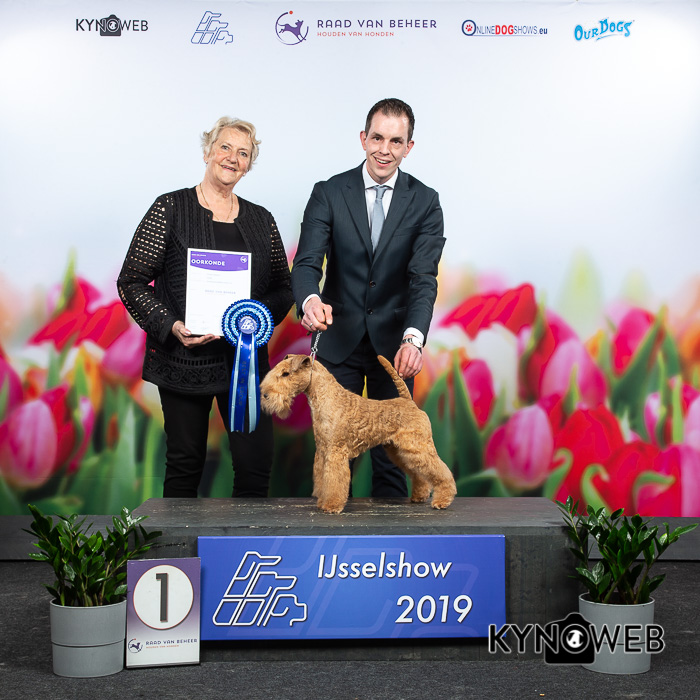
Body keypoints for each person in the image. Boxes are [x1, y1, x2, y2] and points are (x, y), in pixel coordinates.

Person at [118, 117, 294, 498]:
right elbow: (130, 281)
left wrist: (253, 316)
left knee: (255, 465)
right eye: (225, 147)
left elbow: (284, 288)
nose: (232, 158)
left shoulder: (262, 221)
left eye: (243, 153)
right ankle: (176, 541)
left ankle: (249, 540)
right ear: (207, 152)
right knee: (185, 464)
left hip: (245, 365)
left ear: (248, 165)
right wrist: (171, 325)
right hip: (183, 361)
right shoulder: (170, 208)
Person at [291, 98, 445, 497]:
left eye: (396, 141)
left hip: (394, 346)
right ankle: (330, 530)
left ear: (409, 147)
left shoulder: (426, 201)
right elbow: (307, 262)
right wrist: (309, 301)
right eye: (377, 138)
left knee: (393, 461)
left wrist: (413, 338)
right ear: (363, 138)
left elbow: (423, 278)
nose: (384, 150)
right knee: (333, 452)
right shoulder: (328, 192)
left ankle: (391, 536)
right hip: (336, 337)